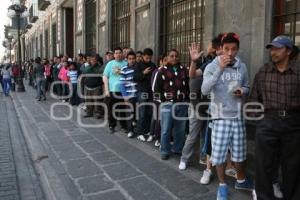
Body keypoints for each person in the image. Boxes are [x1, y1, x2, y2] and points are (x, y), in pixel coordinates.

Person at [201, 33, 253, 200]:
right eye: (227, 49)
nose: (230, 53)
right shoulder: (211, 66)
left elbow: (247, 85)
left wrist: (243, 91)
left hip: (237, 116)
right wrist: (220, 69)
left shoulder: (241, 66)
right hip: (220, 116)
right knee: (219, 155)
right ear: (220, 49)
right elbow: (204, 90)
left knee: (239, 153)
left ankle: (241, 179)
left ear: (237, 49)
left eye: (234, 49)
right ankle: (222, 185)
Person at [249, 35, 300, 200]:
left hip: (293, 123)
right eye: (272, 48)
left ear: (288, 51)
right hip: (268, 122)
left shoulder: (298, 71)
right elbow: (254, 99)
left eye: (278, 48)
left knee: (292, 166)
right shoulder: (264, 71)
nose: (273, 52)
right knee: (263, 166)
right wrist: (261, 119)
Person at [154, 49, 189, 160]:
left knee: (180, 129)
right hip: (167, 104)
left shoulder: (184, 70)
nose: (174, 58)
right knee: (165, 129)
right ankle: (164, 150)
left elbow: (187, 86)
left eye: (176, 56)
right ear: (167, 58)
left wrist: (187, 98)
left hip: (182, 104)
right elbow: (156, 89)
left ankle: (178, 149)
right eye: (171, 56)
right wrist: (163, 100)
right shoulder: (162, 71)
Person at [133, 48, 156, 142]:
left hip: (151, 92)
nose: (149, 59)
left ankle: (146, 130)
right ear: (143, 56)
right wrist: (143, 73)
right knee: (142, 113)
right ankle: (139, 133)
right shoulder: (138, 65)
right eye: (147, 57)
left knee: (149, 112)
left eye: (150, 57)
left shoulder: (152, 65)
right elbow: (135, 78)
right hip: (142, 92)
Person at [103, 47, 128, 133]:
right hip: (112, 90)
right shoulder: (110, 64)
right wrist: (106, 90)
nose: (118, 55)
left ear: (122, 54)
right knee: (111, 109)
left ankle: (124, 126)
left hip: (123, 91)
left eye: (120, 53)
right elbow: (105, 76)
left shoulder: (126, 63)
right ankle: (111, 125)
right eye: (116, 53)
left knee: (122, 109)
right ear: (114, 55)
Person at [120, 51, 138, 138]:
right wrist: (125, 96)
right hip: (129, 95)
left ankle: (137, 129)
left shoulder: (138, 68)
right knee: (129, 113)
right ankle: (130, 130)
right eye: (130, 59)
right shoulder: (124, 69)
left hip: (138, 95)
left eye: (133, 59)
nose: (132, 60)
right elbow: (122, 84)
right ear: (127, 59)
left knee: (137, 113)